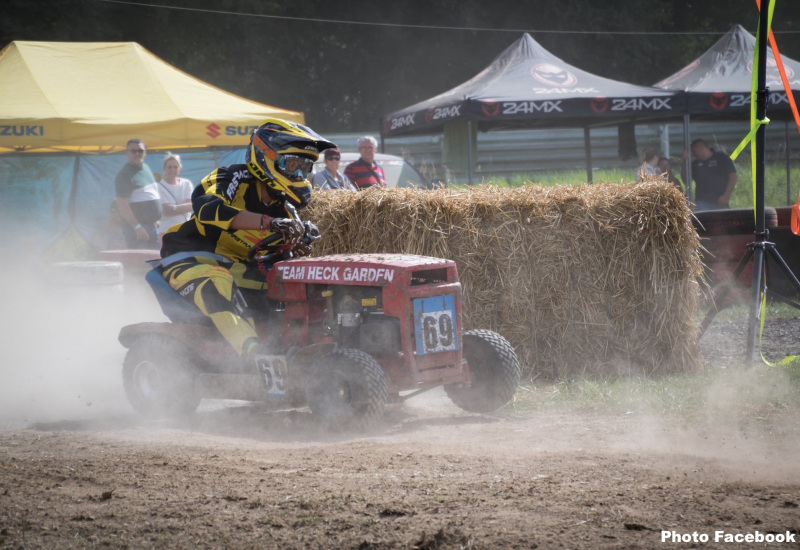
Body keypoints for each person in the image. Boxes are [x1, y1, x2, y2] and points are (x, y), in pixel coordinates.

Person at [159, 118, 335, 367]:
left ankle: (309, 347)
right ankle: (255, 358)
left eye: (303, 168)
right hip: (188, 256)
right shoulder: (231, 176)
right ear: (267, 156)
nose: (298, 174)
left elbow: (277, 252)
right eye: (292, 164)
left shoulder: (286, 206)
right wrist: (269, 223)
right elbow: (207, 209)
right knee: (217, 281)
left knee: (293, 284)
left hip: (238, 264)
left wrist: (296, 246)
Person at [114, 138, 162, 248]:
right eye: (133, 151)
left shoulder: (145, 168)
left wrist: (156, 219)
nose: (137, 153)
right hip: (138, 230)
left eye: (140, 151)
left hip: (151, 227)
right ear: (127, 153)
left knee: (153, 262)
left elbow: (152, 194)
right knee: (141, 263)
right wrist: (137, 227)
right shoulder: (124, 174)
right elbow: (122, 206)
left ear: (145, 152)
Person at [681, 139, 737, 211]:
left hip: (721, 201)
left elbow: (733, 176)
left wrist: (726, 196)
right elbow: (686, 180)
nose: (693, 155)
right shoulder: (694, 164)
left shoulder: (722, 158)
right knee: (703, 221)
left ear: (701, 148)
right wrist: (684, 162)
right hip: (702, 202)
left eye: (694, 152)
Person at [157, 152, 195, 234]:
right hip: (167, 231)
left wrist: (173, 208)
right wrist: (184, 207)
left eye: (175, 167)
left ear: (180, 169)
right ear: (164, 169)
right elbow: (165, 211)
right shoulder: (158, 187)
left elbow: (191, 206)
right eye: (169, 167)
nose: (172, 170)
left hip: (185, 230)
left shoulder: (186, 184)